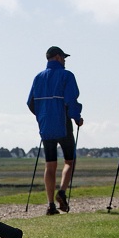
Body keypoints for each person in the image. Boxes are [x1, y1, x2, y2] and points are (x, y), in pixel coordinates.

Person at [27, 46, 84, 215]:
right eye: (64, 58)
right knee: (69, 161)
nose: (65, 61)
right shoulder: (67, 75)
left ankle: (50, 205)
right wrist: (76, 117)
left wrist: (42, 116)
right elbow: (71, 99)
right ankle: (62, 192)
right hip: (63, 122)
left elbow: (30, 102)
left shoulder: (38, 77)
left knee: (50, 165)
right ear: (58, 57)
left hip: (45, 125)